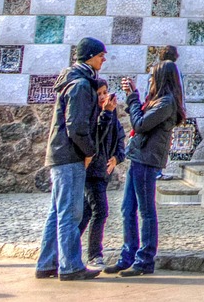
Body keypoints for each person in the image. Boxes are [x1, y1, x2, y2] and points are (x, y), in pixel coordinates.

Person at [37, 37, 105, 280]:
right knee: (70, 213)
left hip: (61, 154)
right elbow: (76, 126)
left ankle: (47, 263)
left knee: (57, 212)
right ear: (89, 57)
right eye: (100, 55)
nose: (103, 59)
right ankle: (70, 266)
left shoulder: (73, 81)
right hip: (69, 156)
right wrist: (89, 151)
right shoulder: (80, 85)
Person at [110, 59, 181, 277]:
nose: (150, 79)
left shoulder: (166, 103)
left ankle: (145, 259)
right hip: (139, 157)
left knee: (145, 210)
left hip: (147, 160)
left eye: (152, 75)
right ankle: (128, 256)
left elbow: (140, 124)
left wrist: (132, 98)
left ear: (160, 78)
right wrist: (134, 96)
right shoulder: (158, 100)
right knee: (127, 209)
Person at [78, 79, 123, 268]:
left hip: (103, 172)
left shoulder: (112, 116)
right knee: (100, 211)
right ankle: (94, 255)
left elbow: (119, 139)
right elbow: (98, 136)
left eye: (105, 92)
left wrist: (116, 158)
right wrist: (106, 113)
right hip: (92, 172)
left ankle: (64, 249)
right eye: (99, 94)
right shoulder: (93, 115)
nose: (104, 97)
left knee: (87, 213)